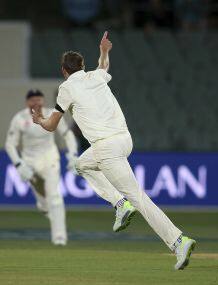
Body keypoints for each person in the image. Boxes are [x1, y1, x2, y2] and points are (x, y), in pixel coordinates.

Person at [31, 31, 196, 270]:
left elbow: (52, 125)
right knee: (81, 164)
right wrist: (104, 51)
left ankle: (178, 241)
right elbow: (104, 66)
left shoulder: (66, 88)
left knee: (139, 198)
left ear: (63, 71)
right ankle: (119, 204)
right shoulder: (96, 76)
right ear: (83, 66)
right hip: (124, 139)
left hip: (106, 147)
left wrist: (39, 120)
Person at [5, 89, 78, 245]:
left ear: (43, 100)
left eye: (39, 99)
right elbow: (10, 144)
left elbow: (67, 134)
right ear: (27, 103)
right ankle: (43, 205)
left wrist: (72, 154)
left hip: (49, 159)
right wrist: (18, 164)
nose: (36, 102)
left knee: (55, 197)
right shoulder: (19, 119)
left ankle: (59, 237)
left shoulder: (52, 113)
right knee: (43, 201)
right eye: (33, 100)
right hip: (29, 162)